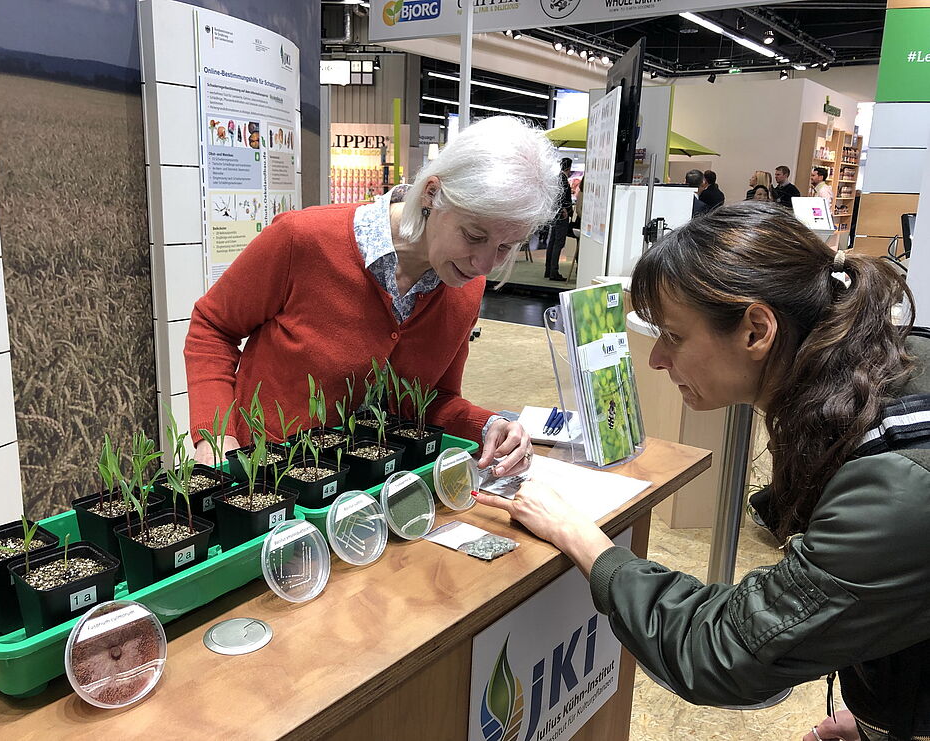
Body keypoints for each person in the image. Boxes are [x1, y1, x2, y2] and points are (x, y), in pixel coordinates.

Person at [475, 201, 929, 741]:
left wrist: (581, 538)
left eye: (673, 335)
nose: (656, 360)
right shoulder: (884, 376)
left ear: (757, 330)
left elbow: (723, 651)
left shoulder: (897, 483)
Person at [185, 116, 561, 477]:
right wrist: (217, 435)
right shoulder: (304, 240)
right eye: (474, 236)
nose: (484, 265)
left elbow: (431, 401)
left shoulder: (464, 288)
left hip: (374, 493)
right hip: (267, 479)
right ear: (433, 194)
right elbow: (212, 327)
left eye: (506, 247)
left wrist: (490, 426)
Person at [544, 157, 573, 281]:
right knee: (558, 243)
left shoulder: (556, 179)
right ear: (569, 168)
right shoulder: (563, 180)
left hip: (555, 214)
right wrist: (564, 209)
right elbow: (561, 197)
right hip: (561, 215)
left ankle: (548, 269)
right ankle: (553, 272)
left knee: (552, 242)